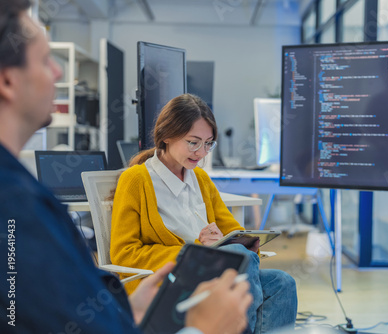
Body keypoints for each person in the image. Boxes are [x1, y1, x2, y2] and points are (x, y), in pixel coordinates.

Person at [0, 1, 252, 333]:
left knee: (251, 266)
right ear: (7, 81)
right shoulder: (18, 206)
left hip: (143, 300)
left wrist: (125, 310)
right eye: (46, 60)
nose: (60, 73)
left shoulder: (23, 196)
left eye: (207, 144)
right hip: (177, 281)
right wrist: (201, 328)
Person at [110, 93, 298, 334]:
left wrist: (238, 240)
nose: (201, 152)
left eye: (208, 143)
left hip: (208, 274)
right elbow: (124, 255)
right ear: (166, 135)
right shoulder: (136, 180)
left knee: (283, 282)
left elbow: (233, 231)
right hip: (173, 279)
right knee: (239, 255)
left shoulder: (200, 178)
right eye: (193, 142)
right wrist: (199, 250)